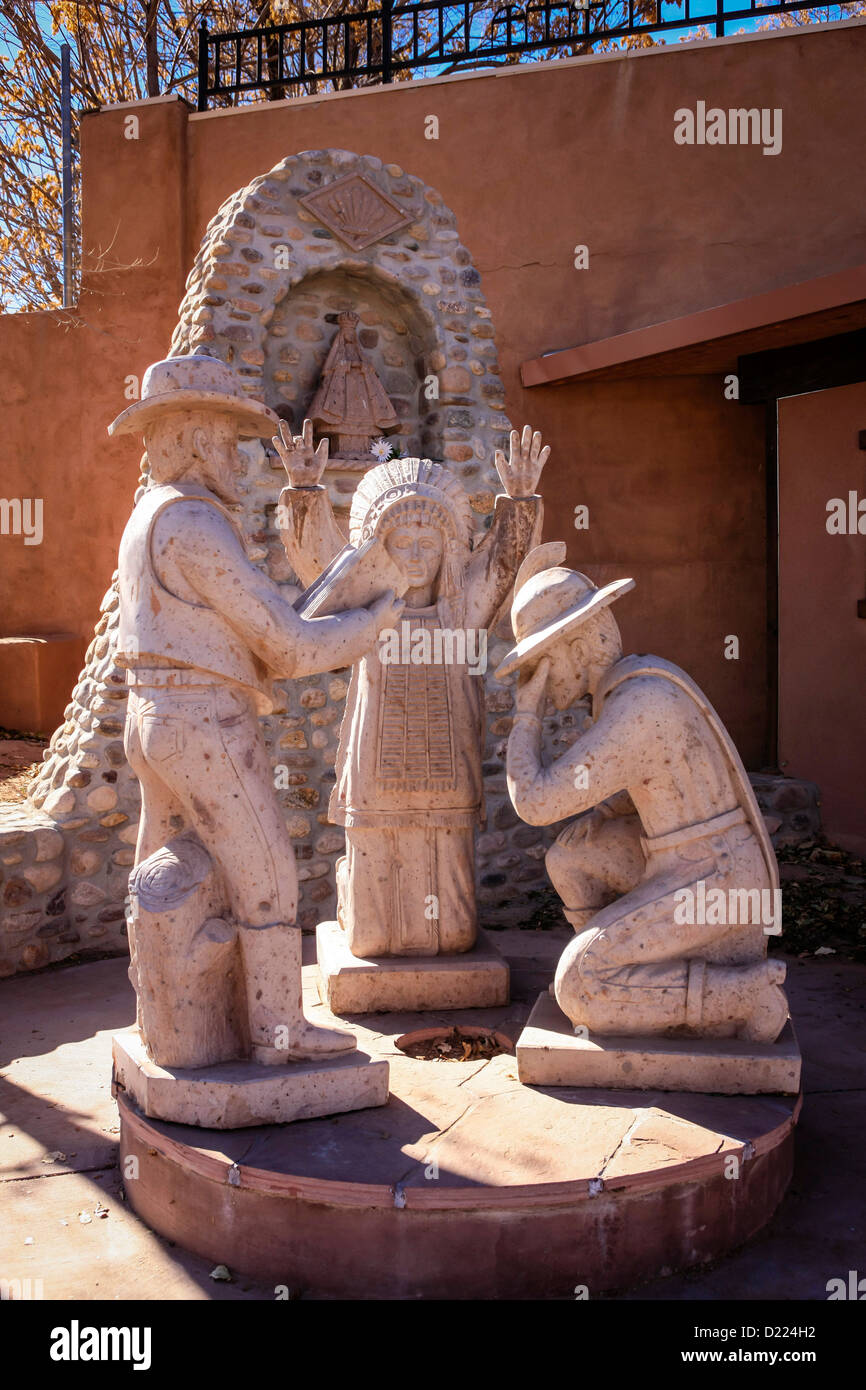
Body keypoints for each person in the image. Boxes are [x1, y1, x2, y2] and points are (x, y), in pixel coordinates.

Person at [110, 355, 401, 1063]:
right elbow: (292, 646)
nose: (240, 458)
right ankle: (280, 1033)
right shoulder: (193, 524)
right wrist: (374, 621)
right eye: (228, 440)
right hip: (202, 721)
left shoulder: (147, 516)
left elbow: (246, 637)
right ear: (190, 437)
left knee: (161, 874)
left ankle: (175, 1023)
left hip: (153, 717)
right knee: (264, 871)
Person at [275, 421, 549, 958]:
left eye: (430, 543)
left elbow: (503, 563)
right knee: (374, 917)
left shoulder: (464, 608)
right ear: (381, 546)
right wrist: (305, 491)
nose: (417, 555)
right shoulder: (367, 605)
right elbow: (320, 566)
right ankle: (375, 926)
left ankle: (441, 935)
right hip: (379, 757)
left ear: (449, 547)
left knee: (452, 922)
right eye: (403, 543)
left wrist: (519, 501)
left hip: (446, 758)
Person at [496, 547, 788, 1042]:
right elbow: (660, 777)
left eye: (541, 662)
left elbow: (536, 802)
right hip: (687, 862)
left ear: (578, 644)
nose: (536, 679)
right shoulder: (636, 683)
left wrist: (527, 714)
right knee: (571, 857)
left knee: (578, 985)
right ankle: (620, 964)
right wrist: (609, 808)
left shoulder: (639, 705)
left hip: (718, 881)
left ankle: (740, 995)